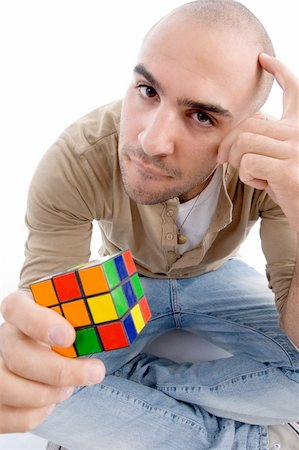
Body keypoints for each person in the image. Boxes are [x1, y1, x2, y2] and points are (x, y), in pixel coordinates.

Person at [0, 0, 298, 448]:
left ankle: (142, 390)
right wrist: (28, 362)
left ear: (245, 128)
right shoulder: (75, 160)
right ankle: (242, 437)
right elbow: (44, 327)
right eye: (148, 91)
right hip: (124, 278)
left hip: (218, 278)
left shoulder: (272, 169)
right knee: (33, 390)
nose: (151, 141)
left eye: (201, 116)